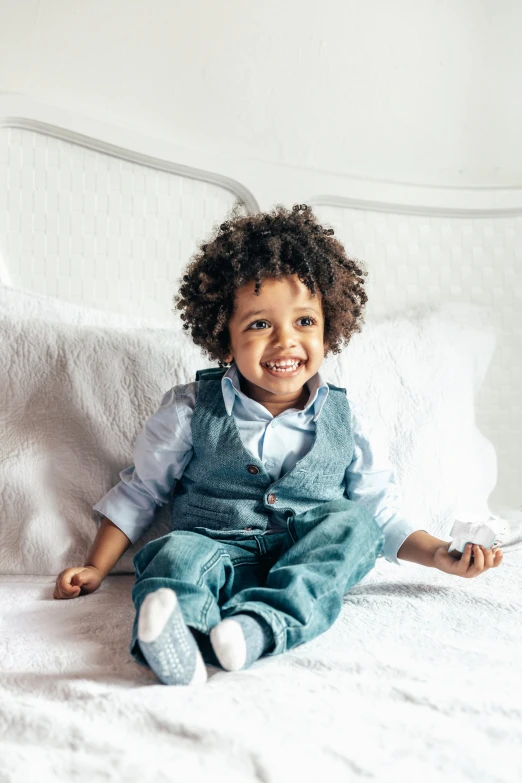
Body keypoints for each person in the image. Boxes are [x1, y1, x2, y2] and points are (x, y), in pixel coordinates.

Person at [53, 204, 503, 686]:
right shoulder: (189, 411)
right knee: (174, 555)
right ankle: (176, 634)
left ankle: (256, 629)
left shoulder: (348, 423)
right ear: (224, 340)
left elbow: (383, 514)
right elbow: (141, 492)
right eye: (260, 324)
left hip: (304, 554)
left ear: (329, 330)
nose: (286, 341)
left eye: (304, 321)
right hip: (214, 547)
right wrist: (96, 568)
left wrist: (438, 554)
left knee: (355, 526)